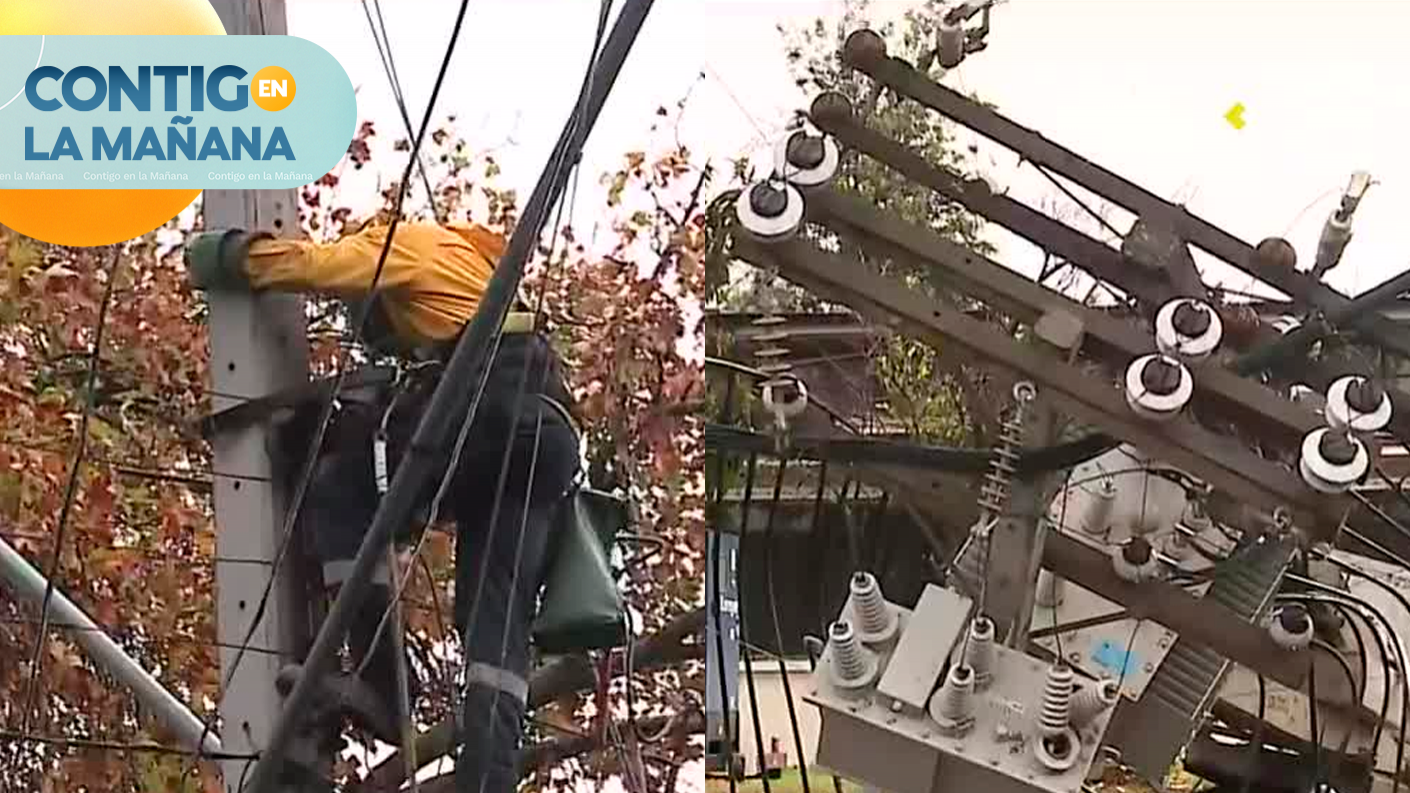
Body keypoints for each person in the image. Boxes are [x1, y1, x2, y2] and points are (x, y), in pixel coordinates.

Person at [186, 219, 582, 793]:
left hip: (492, 415)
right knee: (494, 620)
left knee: (344, 490)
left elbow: (320, 266)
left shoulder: (405, 242)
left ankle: (381, 688)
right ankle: (488, 779)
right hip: (547, 438)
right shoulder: (479, 275)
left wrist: (235, 259)